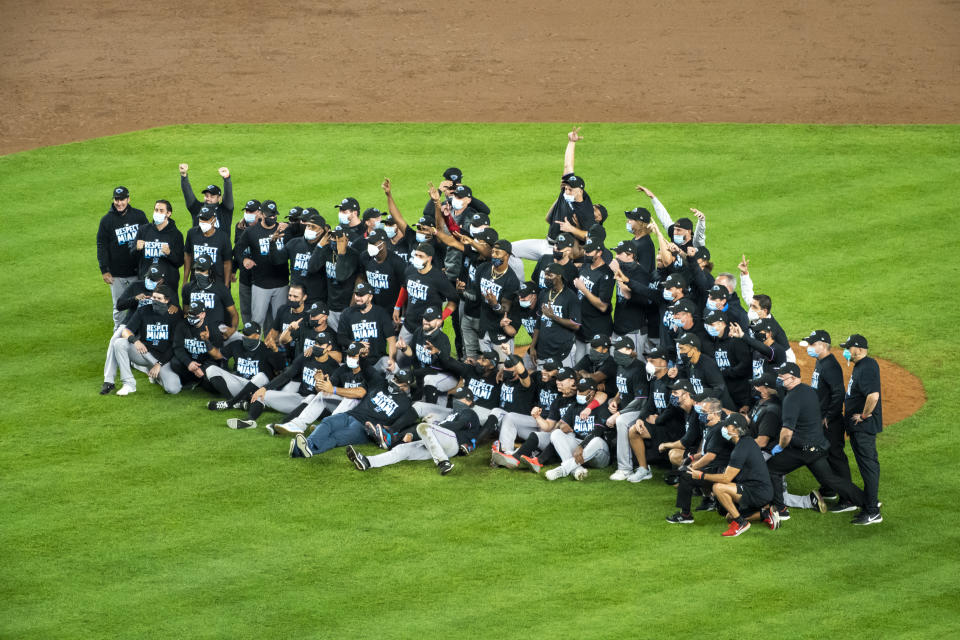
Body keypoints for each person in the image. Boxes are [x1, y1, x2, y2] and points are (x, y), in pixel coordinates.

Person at [766, 363, 866, 520]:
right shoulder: (810, 391)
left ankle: (781, 509)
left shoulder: (791, 399)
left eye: (782, 377)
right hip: (818, 445)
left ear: (792, 378)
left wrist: (780, 446)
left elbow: (786, 433)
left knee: (772, 469)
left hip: (802, 450)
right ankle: (868, 502)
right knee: (830, 479)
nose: (779, 379)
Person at [347, 386, 483, 476]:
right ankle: (368, 462)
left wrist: (434, 429)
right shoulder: (451, 413)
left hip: (452, 442)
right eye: (456, 397)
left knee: (422, 427)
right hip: (437, 445)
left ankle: (443, 462)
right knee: (402, 450)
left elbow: (457, 426)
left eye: (460, 398)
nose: (456, 400)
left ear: (469, 401)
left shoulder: (469, 413)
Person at [290, 369, 419, 459]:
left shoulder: (406, 405)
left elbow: (401, 425)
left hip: (365, 428)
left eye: (399, 380)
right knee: (327, 422)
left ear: (406, 386)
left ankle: (303, 449)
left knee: (336, 437)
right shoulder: (381, 384)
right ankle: (307, 446)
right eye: (395, 377)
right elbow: (368, 370)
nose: (394, 380)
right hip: (352, 414)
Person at [683, 413, 777, 537]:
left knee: (718, 487)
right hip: (757, 489)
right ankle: (765, 514)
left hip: (757, 492)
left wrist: (701, 476)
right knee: (729, 517)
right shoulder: (746, 442)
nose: (724, 428)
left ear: (734, 429)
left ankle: (740, 523)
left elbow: (727, 478)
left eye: (726, 426)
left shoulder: (740, 449)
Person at [800, 329, 850, 500]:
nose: (809, 347)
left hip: (831, 422)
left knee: (836, 456)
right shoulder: (820, 361)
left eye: (812, 344)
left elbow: (838, 393)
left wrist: (829, 416)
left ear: (822, 345)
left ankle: (847, 498)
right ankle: (830, 488)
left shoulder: (830, 366)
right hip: (821, 419)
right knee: (824, 455)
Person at [838, 334, 884, 525]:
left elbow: (873, 396)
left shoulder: (867, 367)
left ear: (858, 348)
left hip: (863, 428)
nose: (846, 351)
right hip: (858, 428)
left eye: (849, 348)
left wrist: (864, 416)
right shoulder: (862, 366)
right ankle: (870, 503)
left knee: (869, 468)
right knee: (867, 467)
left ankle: (873, 511)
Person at [106, 285, 183, 395]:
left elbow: (175, 345)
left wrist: (159, 364)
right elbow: (126, 331)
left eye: (159, 298)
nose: (155, 301)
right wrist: (135, 341)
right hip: (143, 352)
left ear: (167, 300)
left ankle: (156, 376)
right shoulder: (144, 310)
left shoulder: (174, 315)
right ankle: (129, 384)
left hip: (163, 358)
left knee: (173, 389)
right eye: (154, 298)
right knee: (119, 343)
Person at [97, 185, 149, 329]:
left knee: (141, 304)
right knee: (119, 308)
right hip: (117, 275)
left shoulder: (139, 216)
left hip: (137, 272)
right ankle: (117, 338)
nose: (119, 203)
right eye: (116, 199)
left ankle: (138, 336)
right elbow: (101, 246)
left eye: (122, 199)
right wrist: (104, 270)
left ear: (128, 199)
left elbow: (148, 236)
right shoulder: (106, 221)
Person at [234, 199, 289, 329]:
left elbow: (300, 228)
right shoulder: (251, 231)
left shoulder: (283, 229)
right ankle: (254, 347)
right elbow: (237, 249)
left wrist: (289, 225)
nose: (272, 217)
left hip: (281, 283)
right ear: (261, 214)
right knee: (257, 321)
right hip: (260, 284)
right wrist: (244, 260)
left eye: (274, 215)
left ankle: (277, 349)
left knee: (279, 322)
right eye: (269, 215)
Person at [544, 377, 612, 481]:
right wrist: (562, 426)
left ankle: (562, 470)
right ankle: (576, 470)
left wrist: (581, 446)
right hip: (580, 454)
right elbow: (561, 424)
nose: (579, 393)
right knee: (556, 433)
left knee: (596, 441)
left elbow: (597, 432)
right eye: (578, 390)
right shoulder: (574, 406)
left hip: (599, 454)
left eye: (582, 391)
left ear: (592, 393)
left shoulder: (602, 407)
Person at [529, 262, 582, 367]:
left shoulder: (570, 297)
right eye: (545, 275)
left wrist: (554, 317)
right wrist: (532, 346)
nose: (546, 278)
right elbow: (538, 322)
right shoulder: (543, 294)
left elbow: (576, 325)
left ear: (559, 276)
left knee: (563, 381)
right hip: (543, 351)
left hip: (562, 352)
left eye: (550, 275)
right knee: (543, 381)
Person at [181, 254, 239, 343]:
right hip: (195, 328)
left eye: (202, 270)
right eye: (197, 269)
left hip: (218, 330)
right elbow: (185, 312)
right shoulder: (188, 288)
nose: (198, 273)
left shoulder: (221, 288)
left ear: (210, 270)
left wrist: (233, 329)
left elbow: (234, 314)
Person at [131, 199, 185, 293]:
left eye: (161, 210)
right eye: (156, 210)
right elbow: (132, 255)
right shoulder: (143, 230)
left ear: (168, 213)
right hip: (146, 280)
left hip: (167, 283)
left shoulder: (176, 235)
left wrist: (169, 253)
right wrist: (136, 248)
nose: (157, 213)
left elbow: (180, 262)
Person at [183, 205, 233, 286]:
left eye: (206, 219)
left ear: (214, 220)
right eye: (201, 218)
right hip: (196, 281)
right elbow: (187, 256)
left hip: (216, 282)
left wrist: (226, 285)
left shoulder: (223, 237)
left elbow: (227, 263)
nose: (202, 221)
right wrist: (185, 280)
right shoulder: (192, 234)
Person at [179, 164, 233, 233]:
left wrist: (227, 178)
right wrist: (183, 176)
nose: (208, 198)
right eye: (206, 196)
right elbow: (187, 193)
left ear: (219, 198)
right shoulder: (197, 208)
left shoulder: (225, 210)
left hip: (220, 243)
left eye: (212, 196)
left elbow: (228, 195)